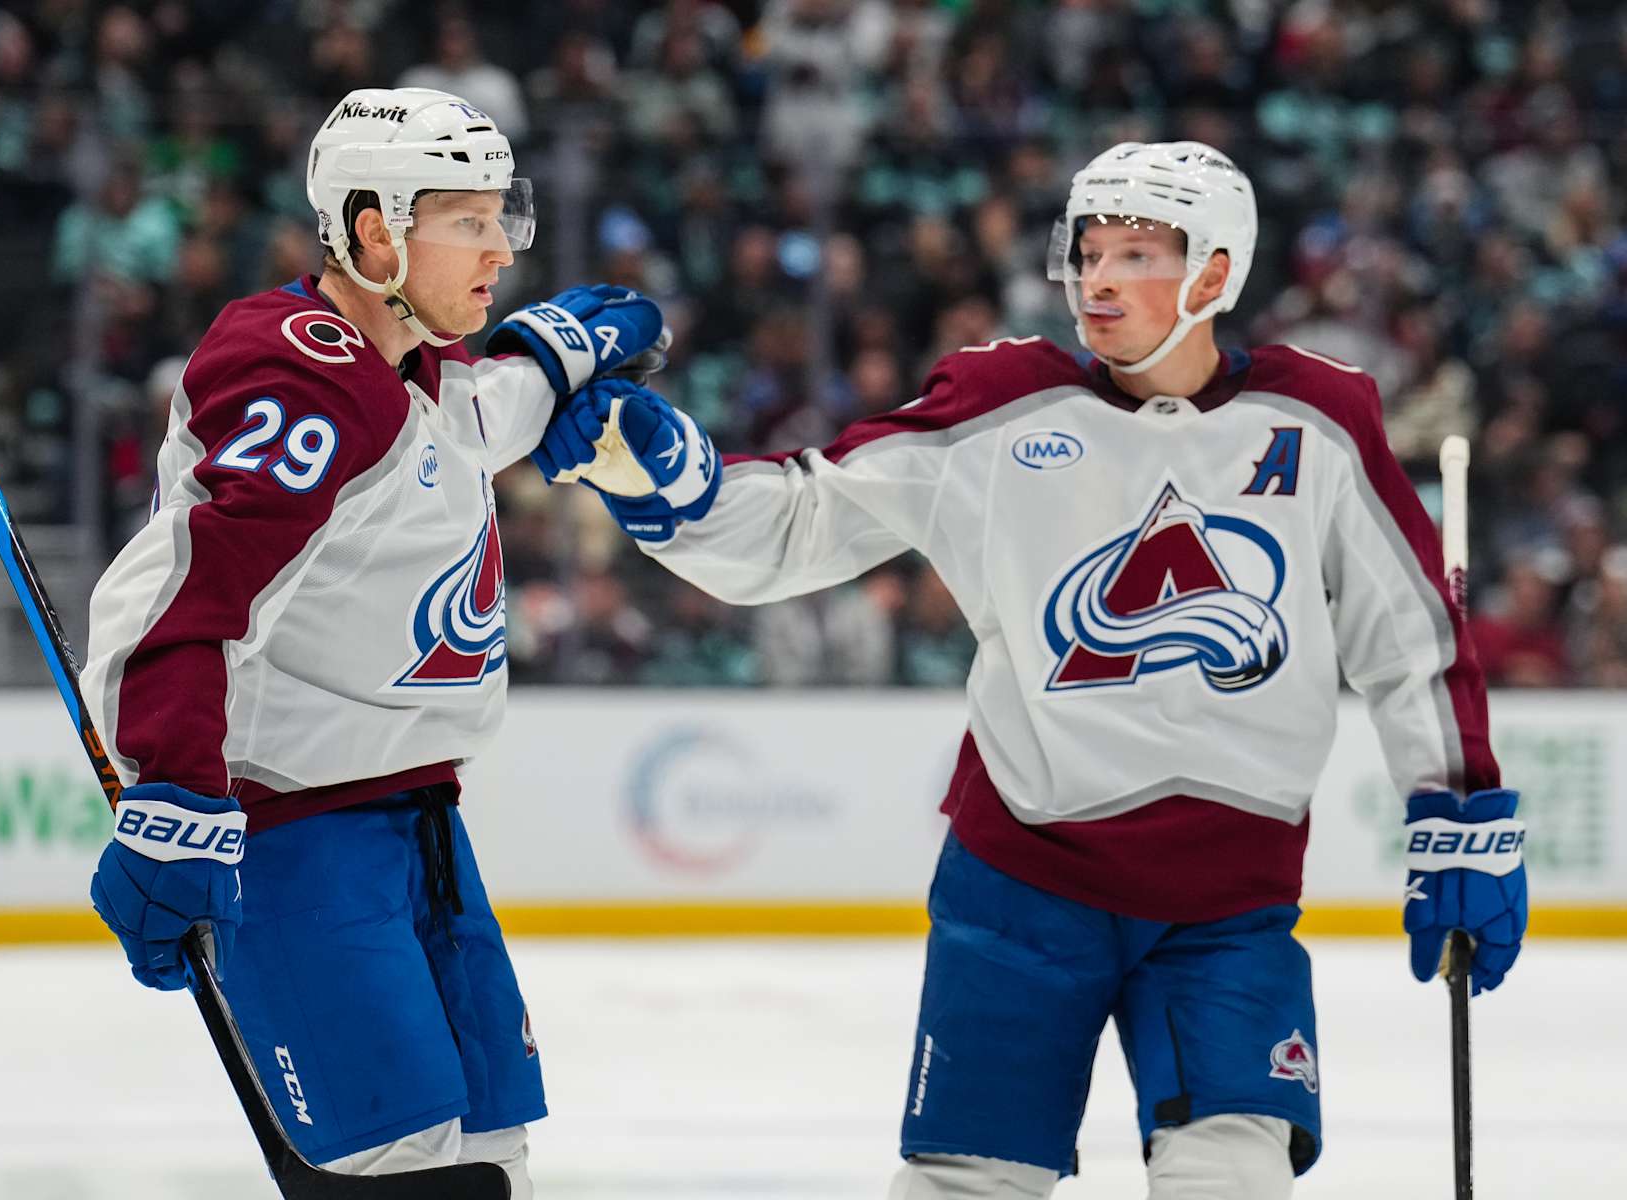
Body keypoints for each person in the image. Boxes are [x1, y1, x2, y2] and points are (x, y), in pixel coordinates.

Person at [532, 142, 1530, 1198]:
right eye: (1088, 249)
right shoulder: (1000, 406)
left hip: (1227, 907)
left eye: (1135, 252)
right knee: (967, 1184)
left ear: (1216, 271)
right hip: (1022, 887)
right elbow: (806, 516)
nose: (1096, 278)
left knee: (1233, 1175)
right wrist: (657, 475)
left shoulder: (1319, 423)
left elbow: (1411, 637)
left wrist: (1456, 810)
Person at [78, 87, 666, 1193]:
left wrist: (576, 355)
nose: (500, 248)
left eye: (503, 215)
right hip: (300, 846)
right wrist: (175, 794)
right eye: (468, 220)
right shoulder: (301, 370)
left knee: (492, 1164)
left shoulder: (409, 371)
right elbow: (193, 597)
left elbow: (477, 417)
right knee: (402, 1176)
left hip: (422, 836)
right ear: (373, 231)